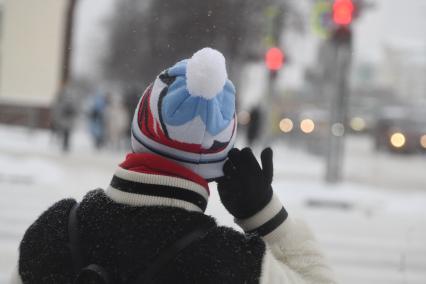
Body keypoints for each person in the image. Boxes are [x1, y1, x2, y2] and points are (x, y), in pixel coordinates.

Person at [12, 48, 336, 284]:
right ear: (220, 156)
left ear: (140, 124)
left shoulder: (53, 234)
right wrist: (265, 215)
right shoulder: (234, 264)